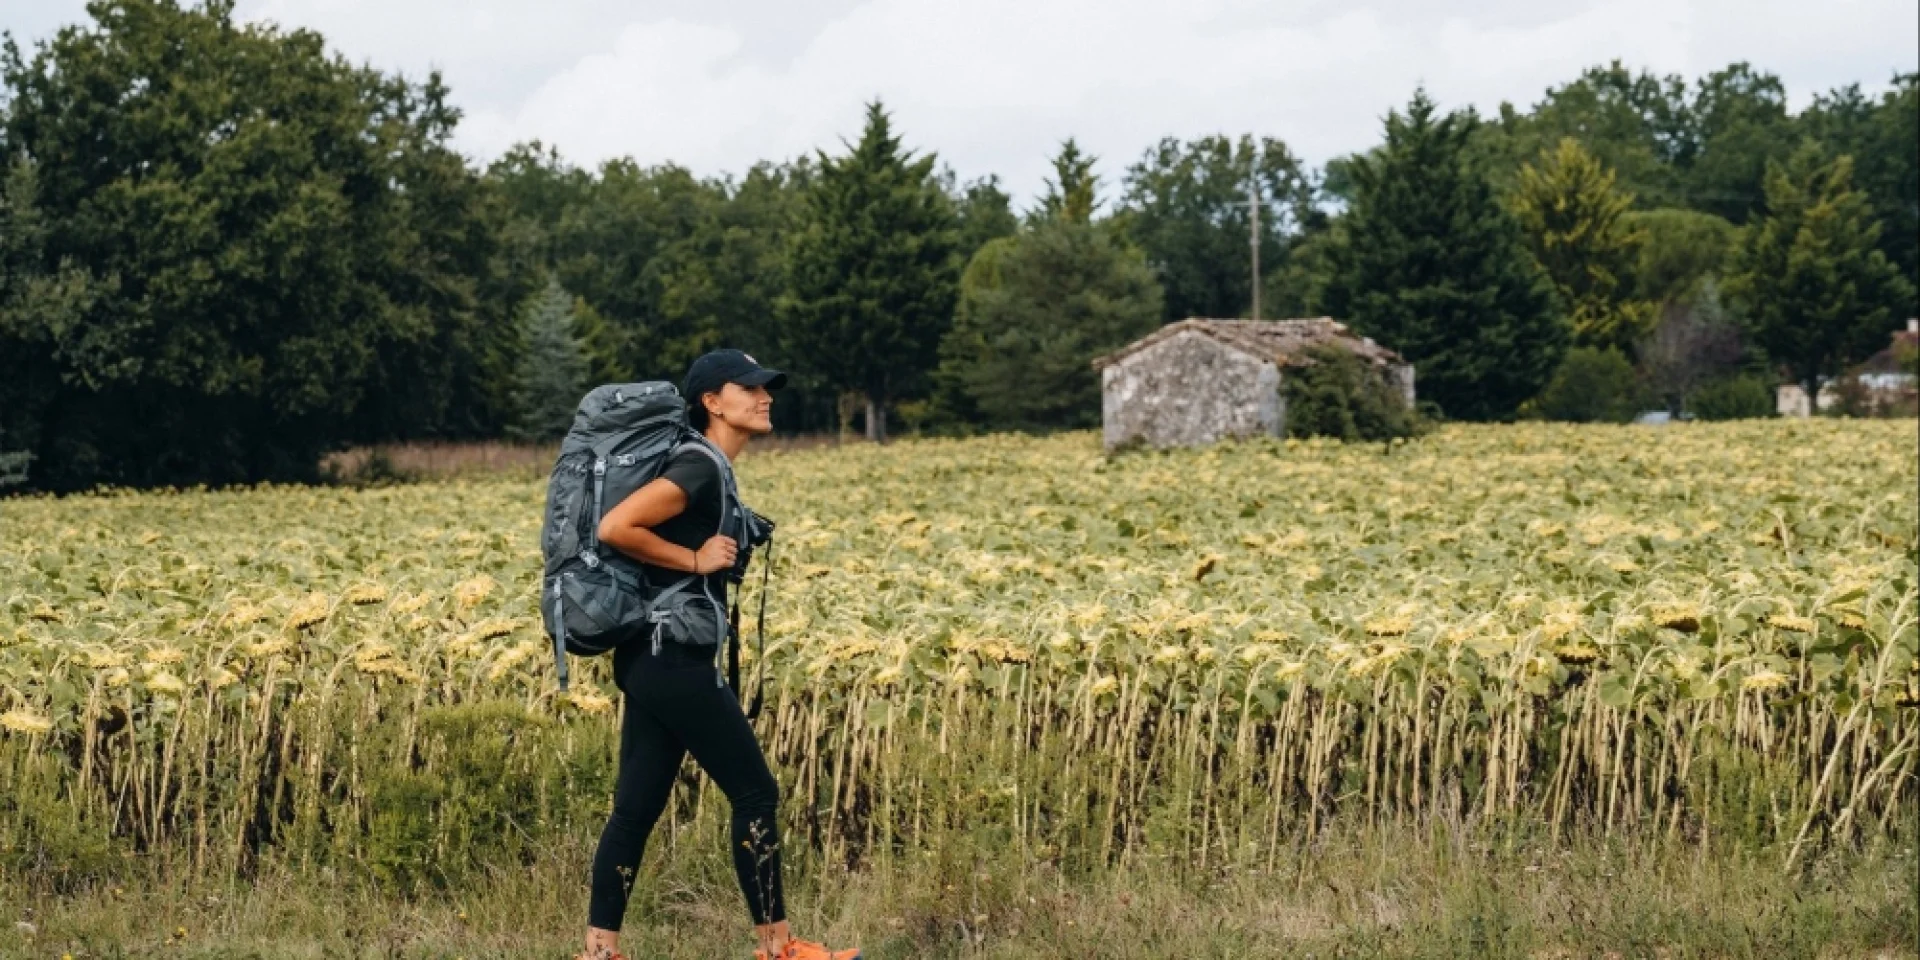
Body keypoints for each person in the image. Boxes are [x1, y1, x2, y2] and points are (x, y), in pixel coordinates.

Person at [577, 349, 860, 960]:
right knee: (756, 794)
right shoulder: (698, 465)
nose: (765, 397)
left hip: (651, 655)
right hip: (671, 658)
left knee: (634, 811)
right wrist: (696, 558)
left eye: (766, 388)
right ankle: (778, 949)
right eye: (749, 388)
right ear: (712, 402)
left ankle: (599, 954)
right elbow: (617, 527)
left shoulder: (707, 465)